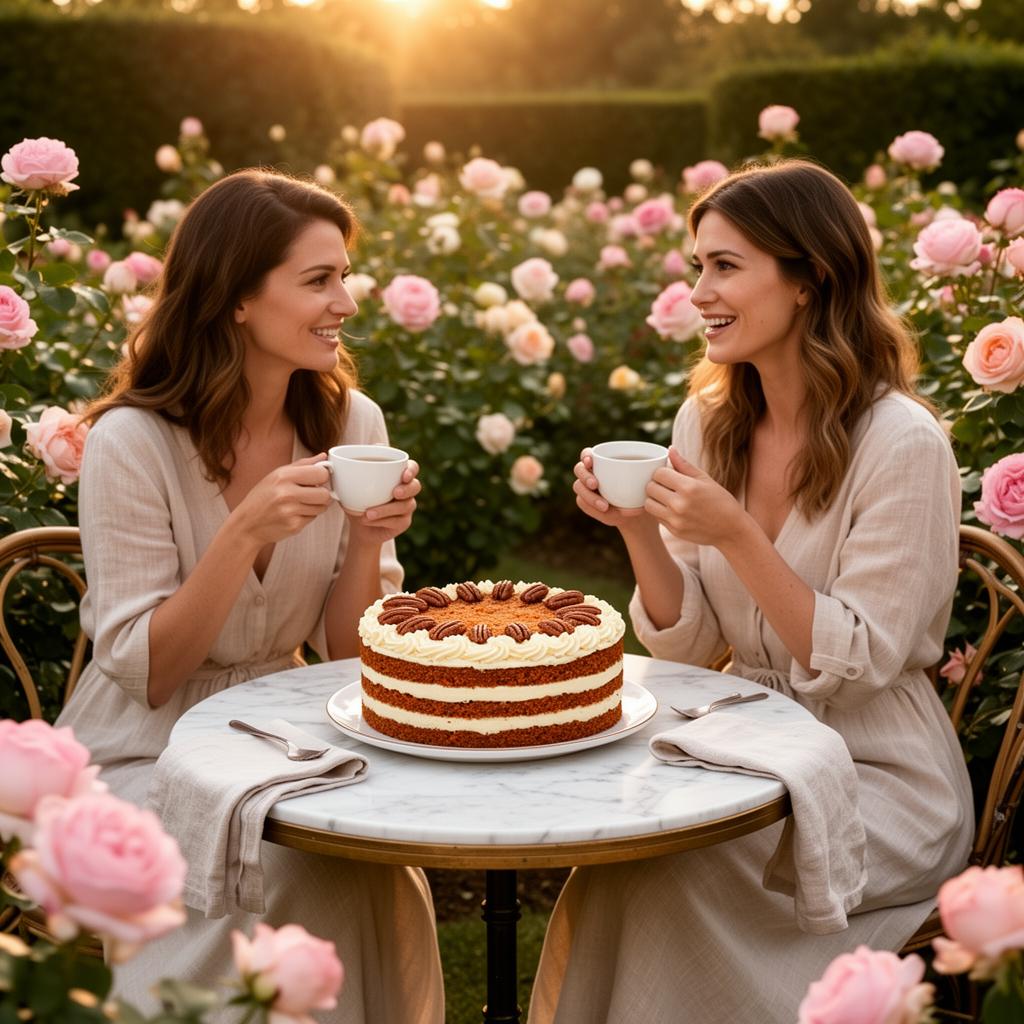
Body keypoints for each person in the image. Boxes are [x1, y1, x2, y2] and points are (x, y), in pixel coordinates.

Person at [529, 160, 974, 1023]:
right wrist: (636, 528)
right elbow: (689, 645)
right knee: (624, 852)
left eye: (725, 266)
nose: (698, 291)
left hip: (877, 775)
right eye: (698, 266)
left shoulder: (902, 444)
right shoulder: (709, 420)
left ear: (809, 277)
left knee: (676, 866)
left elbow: (858, 663)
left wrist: (734, 530)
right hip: (743, 748)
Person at [56, 168, 444, 1023]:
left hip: (285, 729)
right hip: (145, 748)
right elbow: (150, 673)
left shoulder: (352, 427)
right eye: (317, 280)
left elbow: (350, 660)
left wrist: (370, 541)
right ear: (235, 297)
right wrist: (242, 534)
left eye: (345, 275)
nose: (345, 301)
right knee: (288, 866)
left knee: (363, 852)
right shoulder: (133, 442)